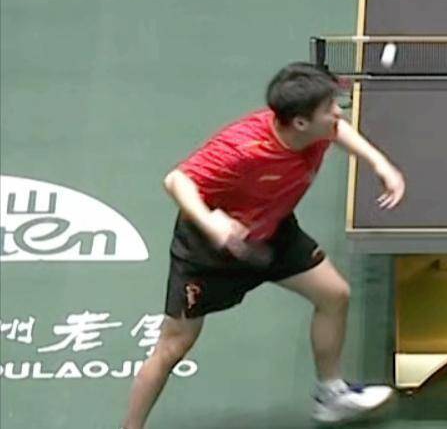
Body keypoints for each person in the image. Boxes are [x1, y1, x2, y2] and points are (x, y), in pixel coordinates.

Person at [121, 63, 406, 428]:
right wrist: (211, 223)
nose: (338, 112)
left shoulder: (318, 128)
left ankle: (330, 395)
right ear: (300, 122)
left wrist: (380, 164)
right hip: (208, 254)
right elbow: (176, 180)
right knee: (173, 346)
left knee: (334, 295)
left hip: (273, 232)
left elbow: (339, 130)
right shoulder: (242, 148)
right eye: (329, 108)